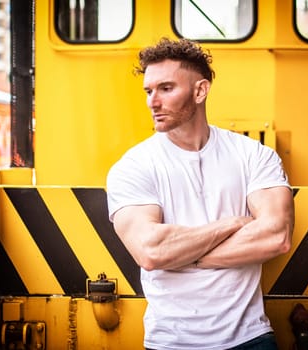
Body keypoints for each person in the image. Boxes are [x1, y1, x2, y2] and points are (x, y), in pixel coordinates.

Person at [106, 37, 294, 350]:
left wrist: (184, 256)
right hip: (171, 342)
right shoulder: (133, 167)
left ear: (199, 90)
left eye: (166, 88)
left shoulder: (254, 156)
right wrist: (234, 223)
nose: (153, 102)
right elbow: (151, 252)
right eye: (149, 91)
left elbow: (276, 236)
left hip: (250, 338)